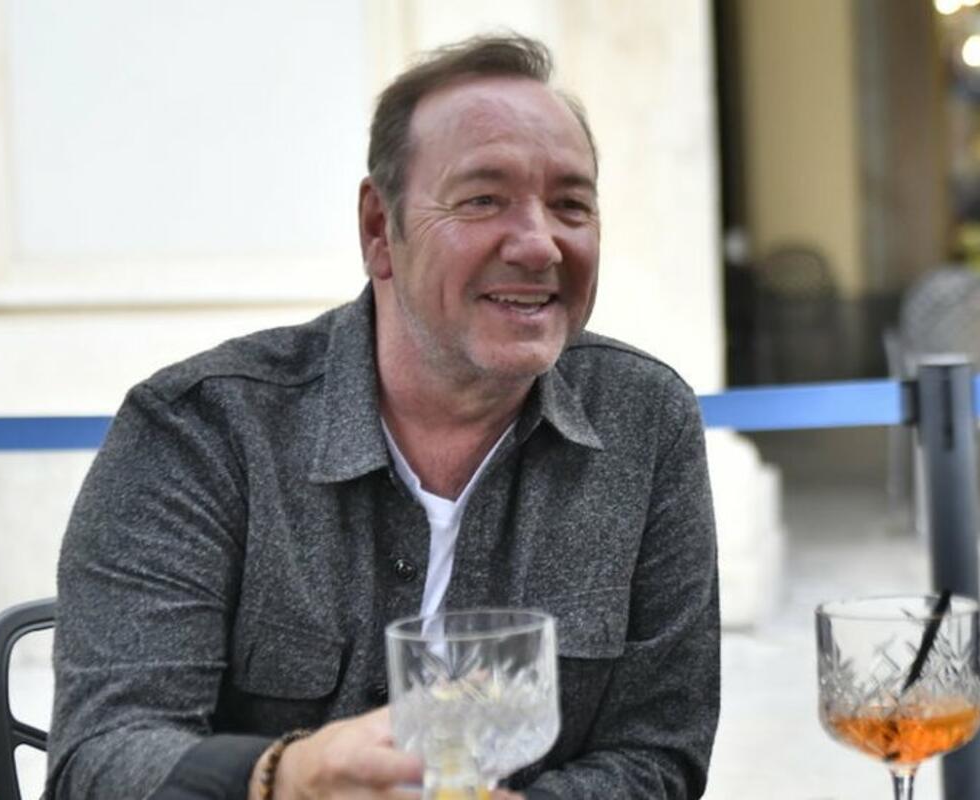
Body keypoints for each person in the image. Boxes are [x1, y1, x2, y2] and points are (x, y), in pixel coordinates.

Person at [47, 33, 719, 800]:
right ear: (379, 229)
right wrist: (287, 777)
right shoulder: (201, 430)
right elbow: (101, 759)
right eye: (482, 200)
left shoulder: (645, 421)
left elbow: (659, 753)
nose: (540, 245)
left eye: (571, 205)